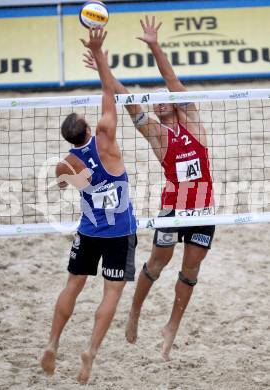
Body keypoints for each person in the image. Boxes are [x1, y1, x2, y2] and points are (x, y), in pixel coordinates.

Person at [83, 15, 215, 360]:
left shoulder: (192, 120)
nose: (159, 100)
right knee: (157, 263)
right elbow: (125, 98)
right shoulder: (157, 135)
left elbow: (171, 78)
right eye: (155, 99)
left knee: (191, 270)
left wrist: (155, 45)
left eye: (164, 97)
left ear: (173, 101)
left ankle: (171, 327)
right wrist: (102, 64)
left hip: (202, 205)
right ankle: (135, 311)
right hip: (174, 206)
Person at [40, 27, 137, 385]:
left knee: (72, 285)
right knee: (111, 294)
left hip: (89, 229)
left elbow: (65, 183)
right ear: (87, 127)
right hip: (120, 231)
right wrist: (99, 56)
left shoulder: (64, 163)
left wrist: (77, 179)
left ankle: (52, 342)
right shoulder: (107, 138)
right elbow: (109, 94)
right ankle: (90, 353)